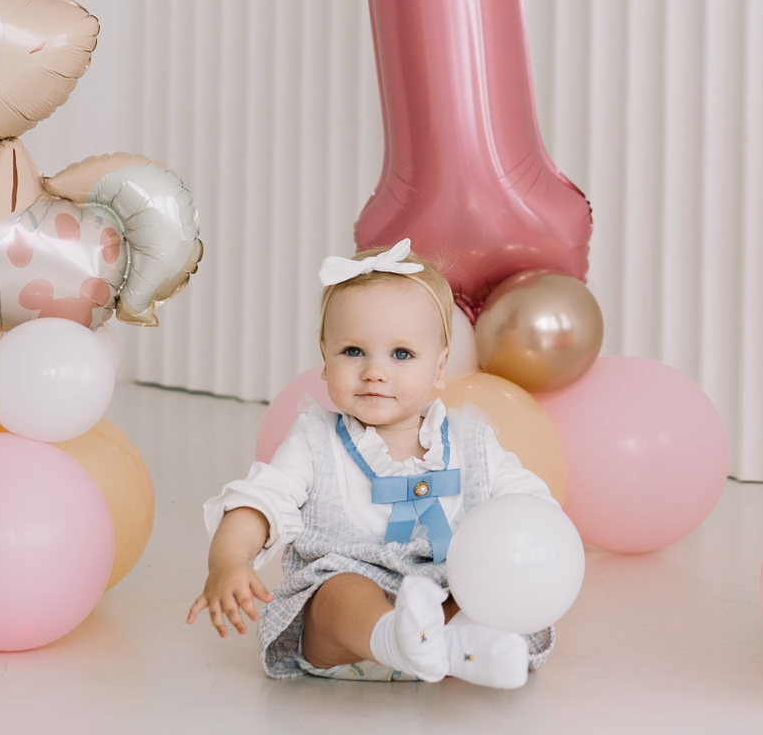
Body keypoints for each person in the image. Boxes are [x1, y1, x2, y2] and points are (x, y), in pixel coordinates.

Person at [188, 240, 558, 686]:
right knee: (337, 593)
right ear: (325, 358)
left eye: (401, 354)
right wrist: (228, 561)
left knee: (485, 585)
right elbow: (259, 502)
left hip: (444, 599)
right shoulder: (316, 441)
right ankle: (396, 638)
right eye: (353, 351)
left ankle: (464, 645)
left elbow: (529, 507)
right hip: (350, 635)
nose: (374, 372)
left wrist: (526, 556)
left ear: (440, 366)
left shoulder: (472, 443)